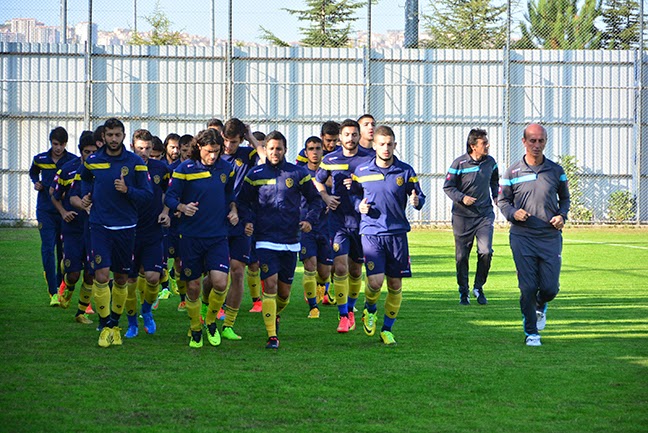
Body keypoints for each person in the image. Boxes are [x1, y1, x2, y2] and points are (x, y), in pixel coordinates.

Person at [239, 131, 323, 349]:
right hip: (265, 239)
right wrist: (247, 221)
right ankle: (272, 336)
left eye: (279, 148)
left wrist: (309, 220)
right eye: (271, 148)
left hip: (291, 239)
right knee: (270, 285)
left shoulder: (297, 173)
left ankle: (275, 314)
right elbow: (243, 202)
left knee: (284, 294)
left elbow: (315, 200)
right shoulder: (255, 174)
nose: (275, 152)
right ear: (265, 149)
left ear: (285, 150)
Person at [78, 118, 153, 347]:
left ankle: (115, 325)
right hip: (100, 225)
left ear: (123, 136)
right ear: (104, 136)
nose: (113, 139)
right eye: (109, 135)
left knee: (121, 278)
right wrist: (87, 195)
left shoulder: (134, 162)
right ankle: (104, 326)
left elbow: (147, 195)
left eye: (117, 135)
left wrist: (127, 190)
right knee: (101, 276)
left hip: (126, 227)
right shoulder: (93, 160)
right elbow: (84, 179)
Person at [351, 125, 426, 345]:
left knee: (395, 285)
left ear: (395, 145)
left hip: (397, 234)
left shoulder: (405, 171)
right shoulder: (362, 171)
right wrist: (358, 206)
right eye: (382, 144)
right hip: (371, 232)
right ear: (374, 145)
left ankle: (387, 329)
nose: (386, 148)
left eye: (389, 144)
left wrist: (417, 201)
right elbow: (353, 196)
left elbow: (420, 197)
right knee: (375, 282)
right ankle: (370, 309)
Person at [164, 128, 238, 348]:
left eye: (216, 151)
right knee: (194, 287)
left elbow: (230, 196)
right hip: (191, 237)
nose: (213, 156)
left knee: (220, 282)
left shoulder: (226, 169)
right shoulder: (184, 169)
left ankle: (210, 321)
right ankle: (195, 327)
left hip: (218, 235)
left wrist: (233, 210)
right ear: (199, 147)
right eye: (208, 151)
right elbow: (169, 197)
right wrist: (181, 207)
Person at [497, 123, 570, 347]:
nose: (536, 145)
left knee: (550, 289)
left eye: (541, 141)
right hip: (523, 237)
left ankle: (540, 304)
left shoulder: (556, 171)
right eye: (532, 140)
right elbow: (502, 201)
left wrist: (562, 216)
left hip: (549, 237)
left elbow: (565, 199)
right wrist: (513, 213)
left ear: (545, 142)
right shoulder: (512, 172)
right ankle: (531, 332)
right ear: (524, 142)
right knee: (527, 287)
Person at [202, 118, 259, 340]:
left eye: (233, 142)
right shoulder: (213, 158)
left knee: (237, 271)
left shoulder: (248, 154)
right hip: (218, 219)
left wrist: (251, 137)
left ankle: (228, 324)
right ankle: (206, 306)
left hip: (243, 219)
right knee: (216, 275)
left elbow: (265, 157)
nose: (228, 146)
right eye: (225, 140)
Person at [314, 119, 373, 333]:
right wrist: (325, 197)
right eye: (346, 134)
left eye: (354, 134)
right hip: (338, 221)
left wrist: (358, 185)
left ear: (359, 136)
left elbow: (376, 183)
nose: (350, 138)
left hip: (362, 222)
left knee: (356, 271)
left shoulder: (369, 158)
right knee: (340, 267)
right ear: (340, 137)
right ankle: (343, 315)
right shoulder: (330, 159)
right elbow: (317, 180)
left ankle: (350, 308)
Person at [123, 129, 171, 339]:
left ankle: (146, 310)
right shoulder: (125, 168)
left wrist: (166, 212)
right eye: (140, 148)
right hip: (129, 231)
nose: (144, 152)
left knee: (153, 277)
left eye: (148, 148)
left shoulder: (161, 168)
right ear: (132, 147)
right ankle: (132, 323)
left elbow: (170, 192)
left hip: (152, 230)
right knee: (130, 281)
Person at [443, 129, 499, 305]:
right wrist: (462, 198)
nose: (487, 146)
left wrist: (496, 196)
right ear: (473, 146)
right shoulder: (459, 163)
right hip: (462, 217)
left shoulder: (490, 162)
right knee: (462, 256)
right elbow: (448, 187)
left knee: (486, 251)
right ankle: (463, 291)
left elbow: (494, 181)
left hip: (484, 215)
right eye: (484, 143)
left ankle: (478, 287)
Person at [51, 130, 97, 324]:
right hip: (72, 228)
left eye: (94, 152)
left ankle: (81, 312)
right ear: (80, 151)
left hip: (95, 229)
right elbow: (55, 194)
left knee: (90, 273)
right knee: (73, 274)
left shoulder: (103, 170)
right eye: (87, 152)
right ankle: (67, 285)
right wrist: (63, 212)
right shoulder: (69, 170)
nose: (91, 156)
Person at [30, 126, 78, 305]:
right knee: (48, 249)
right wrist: (36, 182)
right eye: (55, 144)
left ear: (66, 144)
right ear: (51, 142)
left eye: (61, 144)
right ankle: (53, 292)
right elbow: (33, 172)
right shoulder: (40, 159)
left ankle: (59, 286)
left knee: (62, 252)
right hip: (45, 211)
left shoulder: (72, 161)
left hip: (64, 211)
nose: (58, 148)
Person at [299, 136, 333, 318]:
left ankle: (320, 289)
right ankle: (313, 307)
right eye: (311, 149)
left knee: (324, 272)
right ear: (306, 152)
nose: (314, 152)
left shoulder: (329, 174)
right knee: (309, 265)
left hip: (326, 225)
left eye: (318, 148)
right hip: (306, 225)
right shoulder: (299, 173)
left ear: (322, 151)